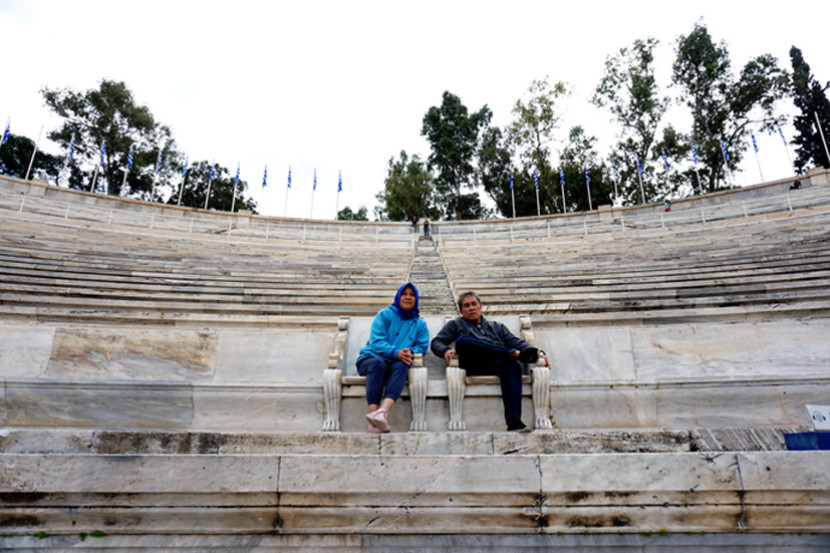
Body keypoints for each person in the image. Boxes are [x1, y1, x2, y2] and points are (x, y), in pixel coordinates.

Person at [431, 291, 550, 432]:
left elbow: (517, 342)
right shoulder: (456, 324)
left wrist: (538, 353)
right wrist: (445, 351)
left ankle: (514, 421)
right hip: (473, 363)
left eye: (474, 304)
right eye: (467, 306)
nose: (471, 308)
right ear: (461, 311)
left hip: (496, 363)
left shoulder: (497, 327)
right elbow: (436, 342)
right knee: (462, 342)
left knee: (512, 365)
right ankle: (511, 353)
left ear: (480, 306)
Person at [356, 282, 430, 433]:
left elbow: (422, 347)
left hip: (397, 362)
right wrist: (395, 352)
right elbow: (376, 342)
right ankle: (373, 417)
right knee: (378, 364)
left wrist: (408, 352)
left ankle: (382, 413)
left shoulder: (420, 324)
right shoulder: (384, 315)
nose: (408, 297)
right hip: (371, 358)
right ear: (398, 296)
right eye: (404, 294)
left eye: (412, 295)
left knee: (403, 364)